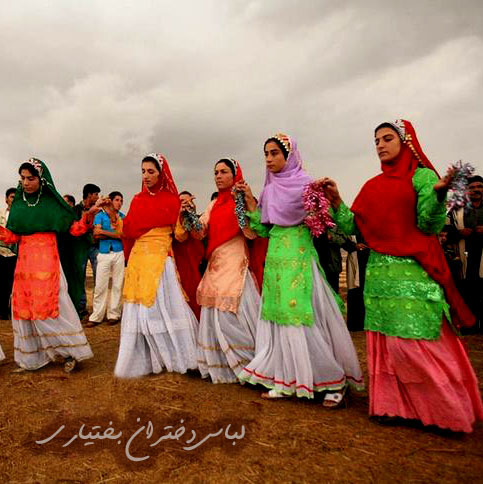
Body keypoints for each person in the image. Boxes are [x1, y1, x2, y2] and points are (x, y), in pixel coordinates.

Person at [321, 119, 483, 432]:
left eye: (387, 138)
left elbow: (428, 225)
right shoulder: (372, 185)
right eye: (376, 141)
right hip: (378, 277)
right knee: (388, 346)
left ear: (406, 142)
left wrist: (438, 196)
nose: (380, 145)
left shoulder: (423, 177)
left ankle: (444, 412)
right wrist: (337, 201)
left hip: (413, 274)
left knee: (414, 342)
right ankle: (392, 406)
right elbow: (355, 226)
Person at [238, 134, 364, 405]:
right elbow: (264, 230)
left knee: (301, 316)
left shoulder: (307, 185)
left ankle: (331, 380)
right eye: (266, 154)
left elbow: (326, 223)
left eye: (274, 153)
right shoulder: (269, 189)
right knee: (278, 317)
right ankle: (285, 379)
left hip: (299, 258)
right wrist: (250, 202)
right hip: (275, 260)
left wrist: (325, 199)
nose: (268, 159)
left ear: (289, 155)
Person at [0, 158, 100, 372]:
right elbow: (12, 236)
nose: (25, 183)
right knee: (26, 309)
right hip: (24, 267)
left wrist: (88, 216)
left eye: (30, 178)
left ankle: (71, 353)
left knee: (53, 307)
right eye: (22, 178)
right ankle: (31, 358)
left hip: (48, 264)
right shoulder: (18, 204)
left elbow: (75, 230)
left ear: (41, 179)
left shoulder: (53, 204)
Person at [114, 153, 198, 378]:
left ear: (162, 174)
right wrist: (112, 214)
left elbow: (180, 236)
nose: (146, 176)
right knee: (140, 311)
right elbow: (126, 231)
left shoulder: (172, 201)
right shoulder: (137, 200)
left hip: (160, 260)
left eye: (151, 171)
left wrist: (185, 215)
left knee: (162, 308)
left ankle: (174, 357)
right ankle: (147, 357)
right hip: (138, 260)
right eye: (143, 171)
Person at [187, 159, 259, 384]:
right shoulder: (214, 204)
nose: (218, 176)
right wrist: (189, 215)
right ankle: (217, 363)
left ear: (235, 175)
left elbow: (252, 232)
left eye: (223, 172)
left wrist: (243, 205)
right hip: (216, 262)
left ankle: (248, 364)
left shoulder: (244, 200)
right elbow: (200, 232)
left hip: (235, 260)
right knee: (213, 313)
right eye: (216, 172)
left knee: (230, 314)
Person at [87, 191, 125, 327]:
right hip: (104, 253)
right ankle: (96, 316)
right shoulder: (100, 216)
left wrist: (103, 232)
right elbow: (95, 235)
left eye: (121, 201)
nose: (119, 203)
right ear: (111, 201)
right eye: (117, 200)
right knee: (100, 285)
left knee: (117, 284)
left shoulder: (122, 217)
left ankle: (114, 314)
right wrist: (114, 234)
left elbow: (122, 235)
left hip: (119, 252)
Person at [450, 175, 483, 331]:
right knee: (467, 291)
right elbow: (443, 232)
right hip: (465, 256)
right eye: (472, 187)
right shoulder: (456, 210)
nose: (476, 190)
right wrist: (459, 232)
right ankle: (469, 326)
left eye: (479, 186)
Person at [172, 191, 204, 320]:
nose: (185, 204)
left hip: (193, 260)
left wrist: (192, 212)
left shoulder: (194, 217)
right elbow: (179, 237)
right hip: (177, 260)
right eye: (182, 201)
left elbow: (199, 233)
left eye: (188, 201)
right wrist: (180, 214)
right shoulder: (172, 218)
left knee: (194, 288)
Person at [74, 183, 101, 318]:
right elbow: (75, 227)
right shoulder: (76, 210)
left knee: (99, 276)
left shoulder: (99, 210)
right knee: (80, 277)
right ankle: (81, 307)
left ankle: (98, 308)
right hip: (81, 246)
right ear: (89, 195)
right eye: (96, 194)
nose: (97, 197)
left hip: (95, 246)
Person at [0, 188, 17, 320]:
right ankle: (2, 310)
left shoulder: (21, 216)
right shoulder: (0, 214)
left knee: (14, 283)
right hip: (1, 252)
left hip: (15, 254)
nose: (13, 199)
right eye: (11, 197)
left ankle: (13, 310)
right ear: (6, 199)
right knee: (1, 282)